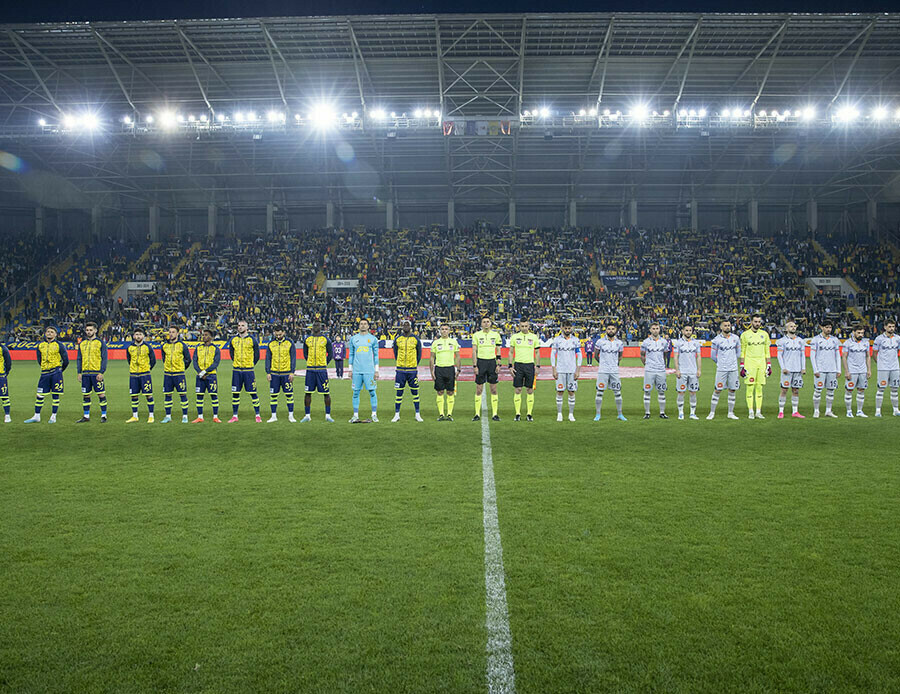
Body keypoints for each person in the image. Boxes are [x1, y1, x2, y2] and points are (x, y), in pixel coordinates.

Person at [24, 325, 69, 424]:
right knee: (39, 395)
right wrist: (45, 367)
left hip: (56, 373)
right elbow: (39, 359)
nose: (49, 333)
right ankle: (36, 416)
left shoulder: (59, 345)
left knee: (55, 395)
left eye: (52, 332)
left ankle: (53, 416)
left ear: (55, 334)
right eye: (48, 331)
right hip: (44, 373)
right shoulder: (40, 345)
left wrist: (60, 370)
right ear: (45, 333)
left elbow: (66, 360)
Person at [227, 319, 261, 423]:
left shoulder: (252, 340)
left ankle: (258, 415)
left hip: (248, 370)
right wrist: (237, 362)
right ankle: (235, 416)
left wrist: (250, 364)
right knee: (235, 393)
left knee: (253, 393)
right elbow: (231, 353)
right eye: (239, 325)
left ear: (247, 328)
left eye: (242, 325)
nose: (240, 327)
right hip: (236, 370)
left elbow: (257, 355)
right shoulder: (233, 340)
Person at [739, 314, 772, 419]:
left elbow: (767, 351)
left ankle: (758, 411)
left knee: (759, 387)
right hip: (749, 364)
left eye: (759, 322)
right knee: (750, 387)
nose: (757, 323)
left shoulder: (765, 334)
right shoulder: (744, 335)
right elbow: (742, 352)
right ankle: (750, 411)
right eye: (755, 321)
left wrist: (769, 365)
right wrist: (742, 366)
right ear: (751, 322)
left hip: (761, 364)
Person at [707, 319, 741, 420]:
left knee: (732, 390)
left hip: (733, 369)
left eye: (729, 325)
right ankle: (712, 412)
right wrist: (721, 363)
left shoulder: (736, 338)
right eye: (725, 325)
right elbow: (713, 356)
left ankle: (730, 413)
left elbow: (738, 353)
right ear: (721, 327)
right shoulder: (716, 340)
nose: (727, 327)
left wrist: (732, 361)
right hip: (721, 369)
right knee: (717, 390)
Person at [75, 321, 108, 423]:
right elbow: (79, 359)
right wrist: (79, 372)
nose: (88, 332)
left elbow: (104, 358)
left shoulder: (100, 343)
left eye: (91, 330)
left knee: (101, 394)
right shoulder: (82, 344)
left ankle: (104, 415)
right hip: (85, 374)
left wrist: (101, 372)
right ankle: (86, 416)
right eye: (87, 330)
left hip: (96, 373)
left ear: (95, 330)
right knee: (86, 395)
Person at [593, 322, 626, 421]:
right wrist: (603, 363)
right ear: (606, 330)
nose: (610, 330)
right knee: (599, 392)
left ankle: (620, 414)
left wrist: (615, 364)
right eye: (609, 329)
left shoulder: (619, 343)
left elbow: (620, 356)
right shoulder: (600, 342)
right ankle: (598, 414)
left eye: (612, 329)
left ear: (616, 330)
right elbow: (596, 355)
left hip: (614, 371)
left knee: (618, 392)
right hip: (603, 371)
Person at [508, 319, 540, 422]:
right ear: (519, 326)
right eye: (522, 326)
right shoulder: (515, 337)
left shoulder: (534, 337)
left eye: (526, 326)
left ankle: (529, 414)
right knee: (518, 389)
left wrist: (538, 366)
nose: (524, 328)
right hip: (518, 365)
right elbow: (511, 352)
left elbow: (538, 353)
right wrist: (510, 366)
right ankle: (517, 413)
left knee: (529, 389)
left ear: (529, 326)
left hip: (530, 365)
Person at [302, 320, 334, 422]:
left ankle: (328, 415)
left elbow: (330, 353)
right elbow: (305, 353)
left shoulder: (325, 340)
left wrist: (324, 363)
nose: (316, 327)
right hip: (310, 370)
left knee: (326, 393)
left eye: (317, 325)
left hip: (321, 370)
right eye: (314, 325)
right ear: (312, 327)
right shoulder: (307, 339)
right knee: (308, 392)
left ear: (321, 328)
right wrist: (310, 362)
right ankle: (307, 415)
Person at [550, 319, 582, 422]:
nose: (567, 330)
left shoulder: (575, 340)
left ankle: (571, 414)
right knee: (560, 391)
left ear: (571, 328)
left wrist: (578, 369)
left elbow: (579, 354)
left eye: (569, 328)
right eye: (565, 328)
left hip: (572, 370)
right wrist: (554, 368)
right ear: (562, 328)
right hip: (560, 369)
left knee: (571, 391)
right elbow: (552, 354)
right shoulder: (557, 340)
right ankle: (559, 414)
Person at [472, 316, 503, 421]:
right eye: (484, 322)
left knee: (493, 389)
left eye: (488, 322)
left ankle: (495, 414)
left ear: (491, 323)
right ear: (481, 324)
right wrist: (475, 365)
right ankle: (477, 414)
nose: (486, 324)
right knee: (479, 389)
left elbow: (498, 350)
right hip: (481, 362)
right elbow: (474, 351)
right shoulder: (476, 335)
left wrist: (498, 364)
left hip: (492, 362)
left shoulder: (496, 335)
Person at [348, 318, 379, 422]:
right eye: (361, 324)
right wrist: (350, 369)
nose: (363, 325)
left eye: (365, 324)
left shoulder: (373, 339)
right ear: (359, 326)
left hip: (369, 371)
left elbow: (376, 356)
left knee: (372, 392)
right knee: (355, 393)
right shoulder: (353, 339)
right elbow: (351, 354)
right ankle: (355, 415)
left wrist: (376, 370)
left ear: (368, 326)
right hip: (356, 370)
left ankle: (374, 415)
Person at [392, 320, 423, 422]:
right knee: (399, 392)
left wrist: (414, 364)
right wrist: (400, 362)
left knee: (415, 392)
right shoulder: (398, 339)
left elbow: (419, 354)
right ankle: (397, 414)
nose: (406, 326)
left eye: (407, 325)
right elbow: (395, 352)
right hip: (400, 370)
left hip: (412, 370)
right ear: (402, 327)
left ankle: (417, 414)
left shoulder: (415, 339)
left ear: (411, 327)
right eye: (404, 325)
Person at [809, 320, 841, 418]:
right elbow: (812, 355)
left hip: (832, 369)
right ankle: (816, 411)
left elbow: (837, 355)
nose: (828, 329)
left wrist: (838, 369)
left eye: (830, 327)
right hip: (821, 369)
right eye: (826, 327)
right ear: (821, 327)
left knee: (831, 391)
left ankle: (828, 411)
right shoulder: (815, 339)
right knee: (818, 390)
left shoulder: (834, 340)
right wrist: (815, 369)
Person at [775, 319, 806, 419]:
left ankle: (795, 412)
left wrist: (803, 368)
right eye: (791, 326)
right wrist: (783, 367)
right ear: (787, 329)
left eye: (794, 326)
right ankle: (781, 412)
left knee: (796, 390)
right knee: (784, 390)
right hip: (787, 370)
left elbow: (803, 355)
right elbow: (779, 355)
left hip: (797, 370)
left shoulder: (800, 341)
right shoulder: (782, 341)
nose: (793, 328)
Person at [125, 326, 156, 423]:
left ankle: (151, 416)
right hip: (133, 375)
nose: (138, 336)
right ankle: (135, 416)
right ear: (133, 336)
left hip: (145, 374)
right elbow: (129, 360)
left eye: (140, 334)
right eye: (136, 334)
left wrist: (147, 368)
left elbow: (153, 360)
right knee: (134, 396)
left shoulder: (147, 347)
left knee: (148, 395)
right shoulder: (130, 348)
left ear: (143, 336)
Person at [266, 325, 296, 423]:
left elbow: (293, 358)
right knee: (273, 395)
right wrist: (268, 372)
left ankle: (291, 416)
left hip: (286, 373)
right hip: (274, 373)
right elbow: (268, 359)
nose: (278, 336)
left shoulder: (289, 343)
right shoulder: (271, 344)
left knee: (289, 395)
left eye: (280, 334)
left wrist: (292, 372)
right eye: (276, 334)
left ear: (283, 332)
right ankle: (273, 416)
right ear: (274, 333)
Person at [430, 323, 461, 421]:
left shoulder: (453, 342)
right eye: (442, 329)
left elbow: (458, 356)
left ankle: (449, 414)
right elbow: (432, 358)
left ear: (449, 331)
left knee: (450, 391)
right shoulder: (435, 343)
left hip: (450, 369)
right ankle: (441, 414)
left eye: (446, 329)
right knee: (439, 392)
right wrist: (432, 371)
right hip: (439, 369)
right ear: (439, 331)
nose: (444, 331)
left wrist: (458, 369)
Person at [161, 325, 191, 423]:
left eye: (173, 332)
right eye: (169, 332)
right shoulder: (164, 346)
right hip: (168, 375)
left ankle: (185, 416)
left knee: (182, 394)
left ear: (177, 333)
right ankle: (168, 416)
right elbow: (163, 359)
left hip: (179, 374)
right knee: (167, 395)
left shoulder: (182, 345)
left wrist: (182, 368)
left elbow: (188, 359)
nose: (171, 334)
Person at [672, 323, 702, 420]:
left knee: (693, 392)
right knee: (681, 392)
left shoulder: (696, 343)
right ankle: (681, 412)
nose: (688, 332)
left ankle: (692, 413)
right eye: (686, 330)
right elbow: (675, 357)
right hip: (682, 371)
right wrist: (677, 370)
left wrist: (699, 369)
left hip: (693, 372)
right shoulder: (678, 343)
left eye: (690, 330)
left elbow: (698, 357)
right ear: (682, 331)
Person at [640, 322, 669, 419]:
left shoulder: (664, 342)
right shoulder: (645, 342)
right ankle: (647, 413)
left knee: (661, 391)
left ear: (659, 329)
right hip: (649, 370)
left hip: (660, 370)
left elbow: (665, 354)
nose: (655, 330)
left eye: (657, 328)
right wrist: (646, 364)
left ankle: (662, 413)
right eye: (653, 328)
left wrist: (662, 364)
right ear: (650, 330)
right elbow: (642, 355)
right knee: (647, 391)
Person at [192, 328, 221, 423]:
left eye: (206, 335)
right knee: (199, 396)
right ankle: (200, 417)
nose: (204, 336)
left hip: (211, 376)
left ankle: (215, 417)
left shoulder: (215, 349)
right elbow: (195, 361)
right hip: (200, 376)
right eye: (203, 335)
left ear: (211, 337)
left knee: (213, 396)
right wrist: (200, 371)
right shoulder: (198, 348)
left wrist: (205, 372)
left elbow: (215, 363)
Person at [842, 325, 871, 418]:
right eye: (858, 332)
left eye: (862, 333)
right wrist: (846, 371)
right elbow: (844, 357)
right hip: (852, 371)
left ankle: (859, 411)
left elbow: (868, 356)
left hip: (862, 371)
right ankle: (849, 411)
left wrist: (869, 369)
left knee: (861, 390)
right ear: (853, 332)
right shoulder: (847, 343)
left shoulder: (866, 343)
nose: (861, 335)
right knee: (849, 390)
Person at [872, 319, 900, 417]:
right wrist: (879, 363)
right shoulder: (879, 339)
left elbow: (898, 351)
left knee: (895, 389)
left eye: (893, 326)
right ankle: (878, 410)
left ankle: (896, 410)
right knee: (881, 389)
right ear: (885, 327)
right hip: (883, 368)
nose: (892, 328)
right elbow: (874, 353)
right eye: (889, 326)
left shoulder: (898, 338)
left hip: (895, 368)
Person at [0, 342, 11, 423]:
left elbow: (8, 363)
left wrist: (5, 373)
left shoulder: (3, 348)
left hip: (1, 375)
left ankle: (7, 415)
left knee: (4, 395)